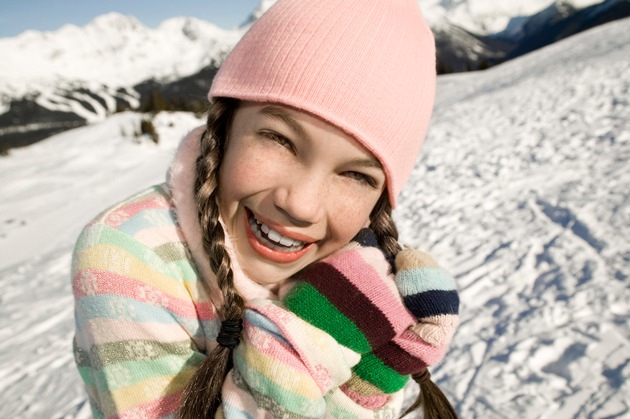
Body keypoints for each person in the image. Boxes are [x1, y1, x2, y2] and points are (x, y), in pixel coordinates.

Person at [71, 0, 460, 417]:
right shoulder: (127, 256)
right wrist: (309, 337)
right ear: (225, 124)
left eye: (356, 176)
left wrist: (374, 380)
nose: (301, 206)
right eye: (280, 140)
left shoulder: (363, 274)